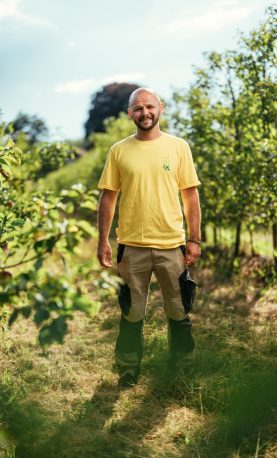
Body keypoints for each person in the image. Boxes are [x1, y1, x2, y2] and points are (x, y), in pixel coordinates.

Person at [97, 87, 201, 388]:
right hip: (132, 247)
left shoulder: (179, 147)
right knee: (131, 312)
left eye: (150, 107)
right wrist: (103, 239)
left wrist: (193, 240)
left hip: (172, 246)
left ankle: (182, 367)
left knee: (179, 311)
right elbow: (108, 198)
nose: (145, 113)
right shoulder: (118, 150)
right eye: (138, 108)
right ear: (130, 113)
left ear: (161, 108)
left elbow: (191, 197)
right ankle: (128, 370)